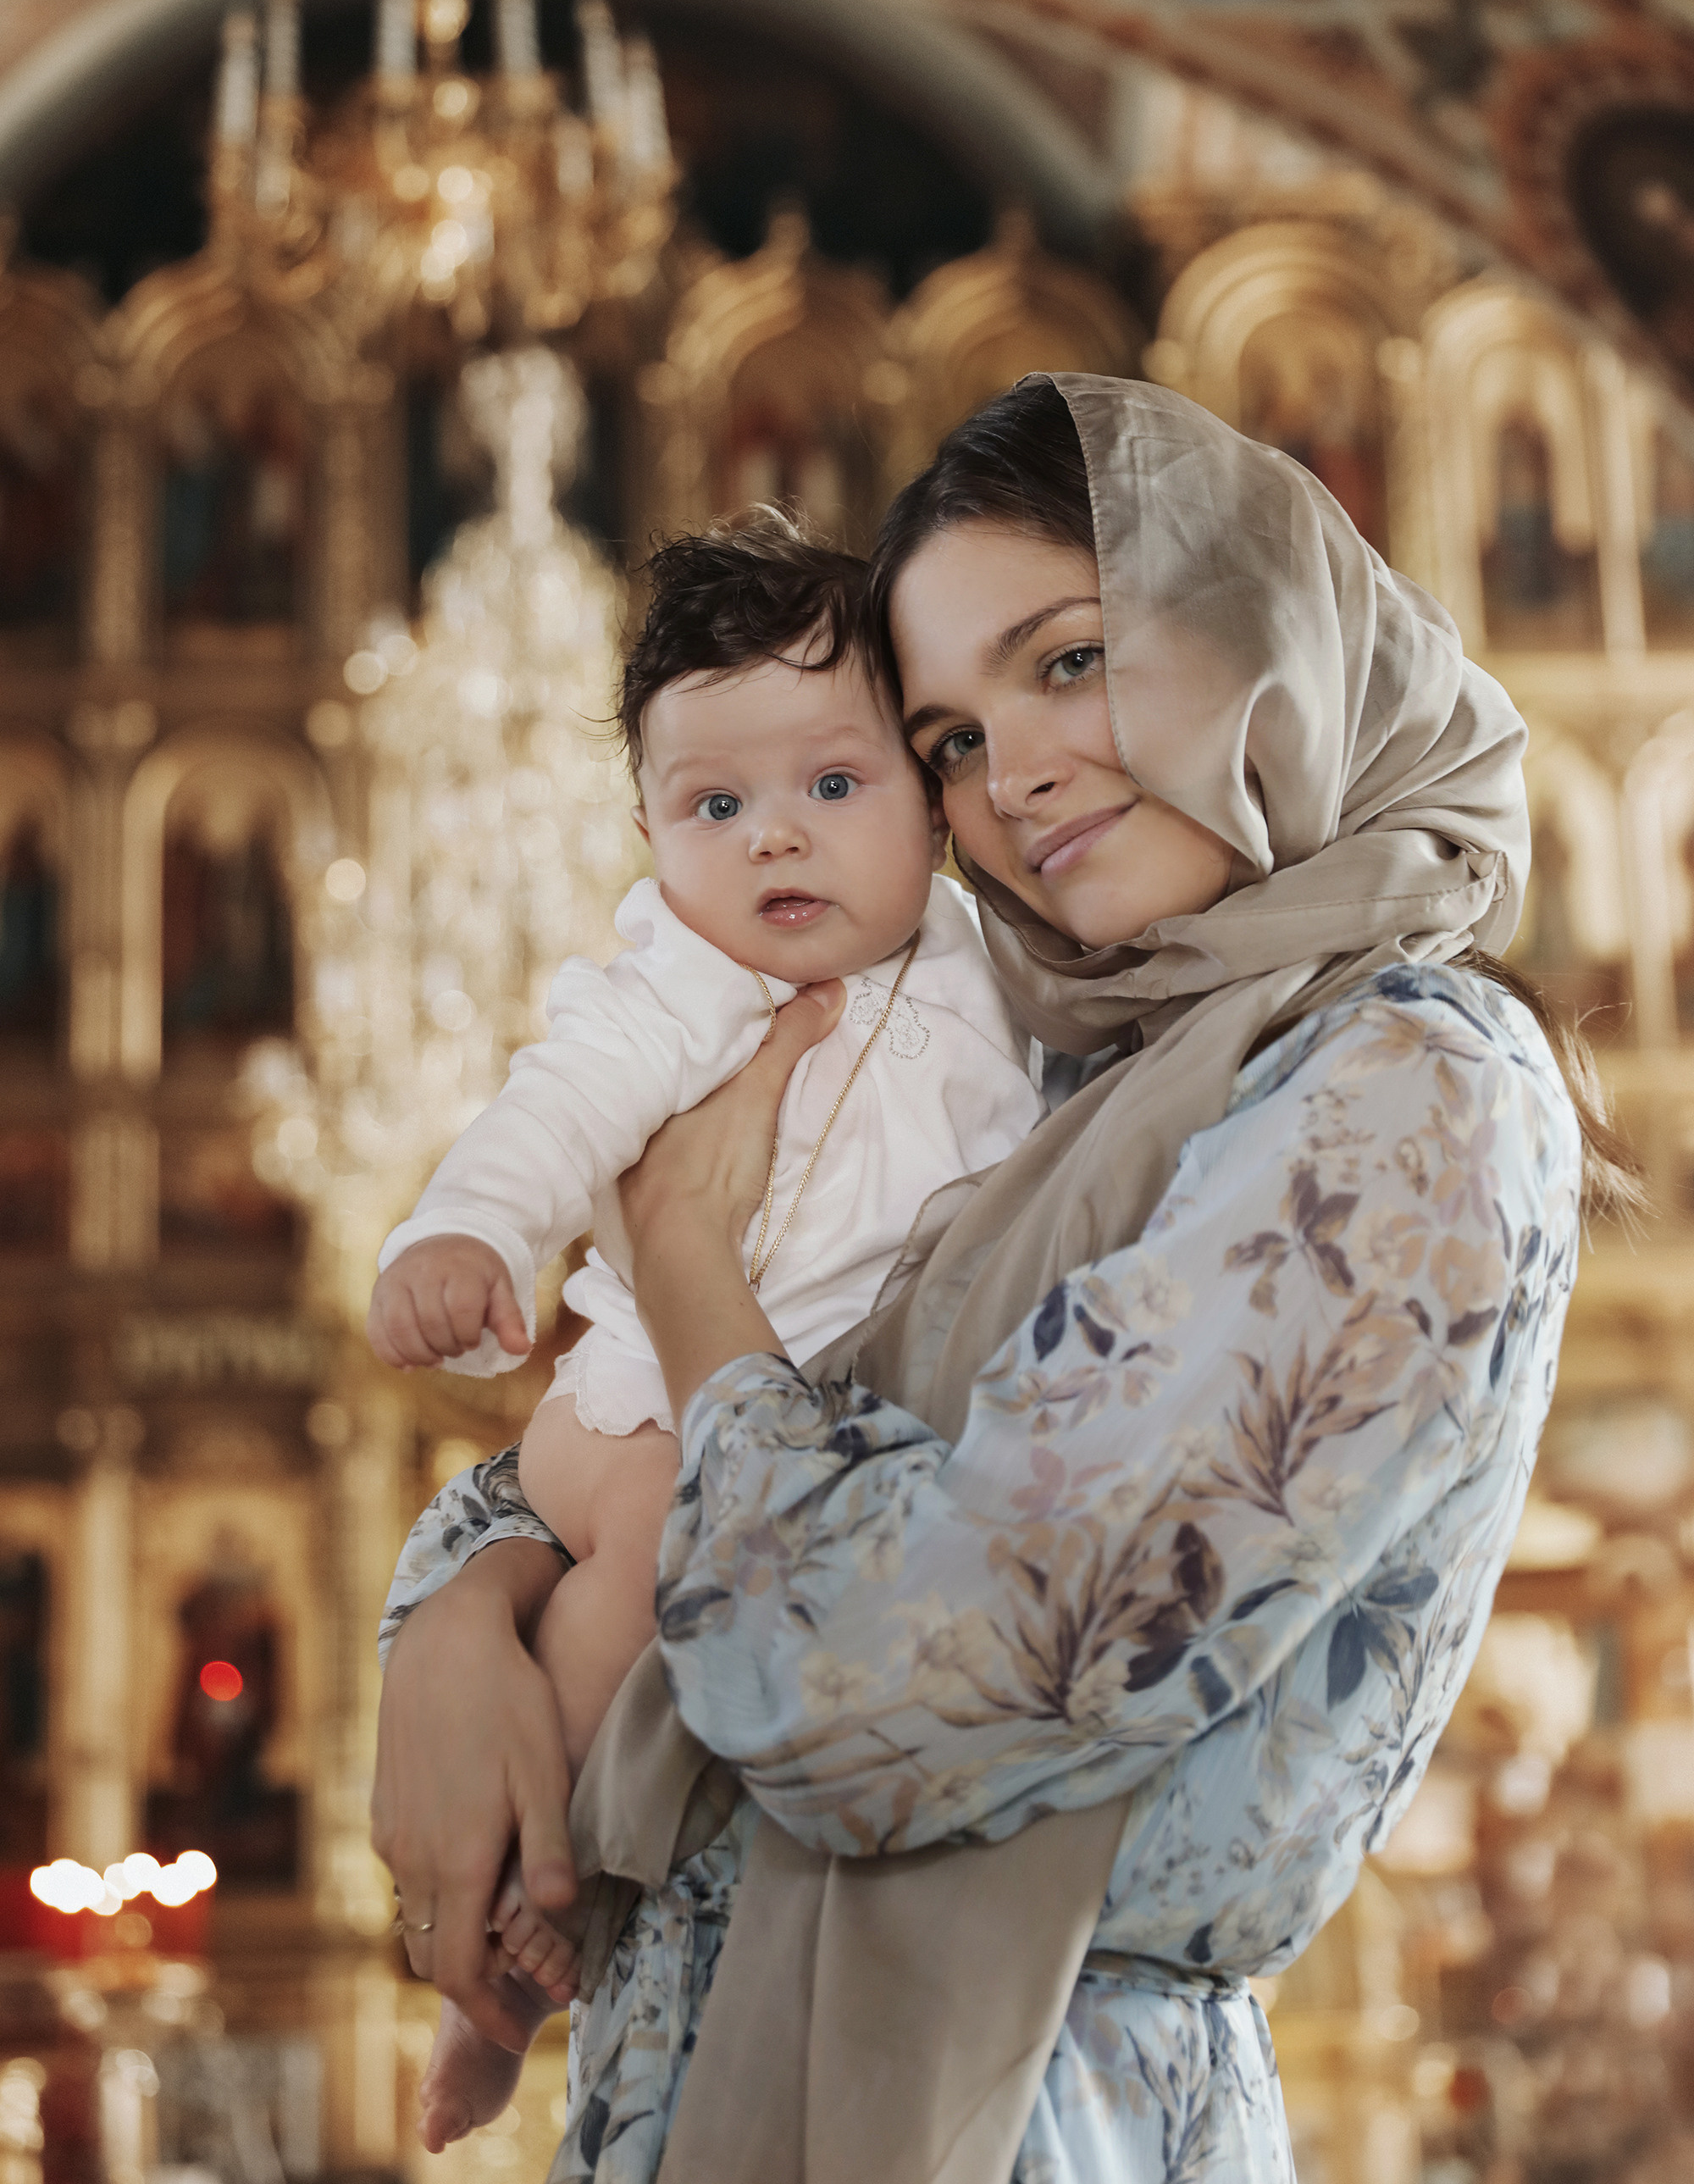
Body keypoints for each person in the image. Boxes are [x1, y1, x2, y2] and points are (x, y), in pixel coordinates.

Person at [374, 375, 1638, 2182]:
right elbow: (608, 1469)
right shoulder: (1057, 1073)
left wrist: (681, 1262)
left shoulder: (1402, 1082)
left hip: (1035, 2107)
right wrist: (462, 1615)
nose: (1014, 773)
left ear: (1255, 624)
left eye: (1067, 661)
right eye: (949, 737)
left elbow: (900, 1683)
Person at [365, 512, 1044, 2139]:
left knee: (649, 1598)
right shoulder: (679, 980)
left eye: (832, 786)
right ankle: (525, 1949)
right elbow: (559, 1104)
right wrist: (464, 1228)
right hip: (633, 1420)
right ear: (653, 833)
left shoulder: (992, 970)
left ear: (933, 804)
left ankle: (514, 1938)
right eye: (713, 806)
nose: (774, 844)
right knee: (650, 1585)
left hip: (783, 1424)